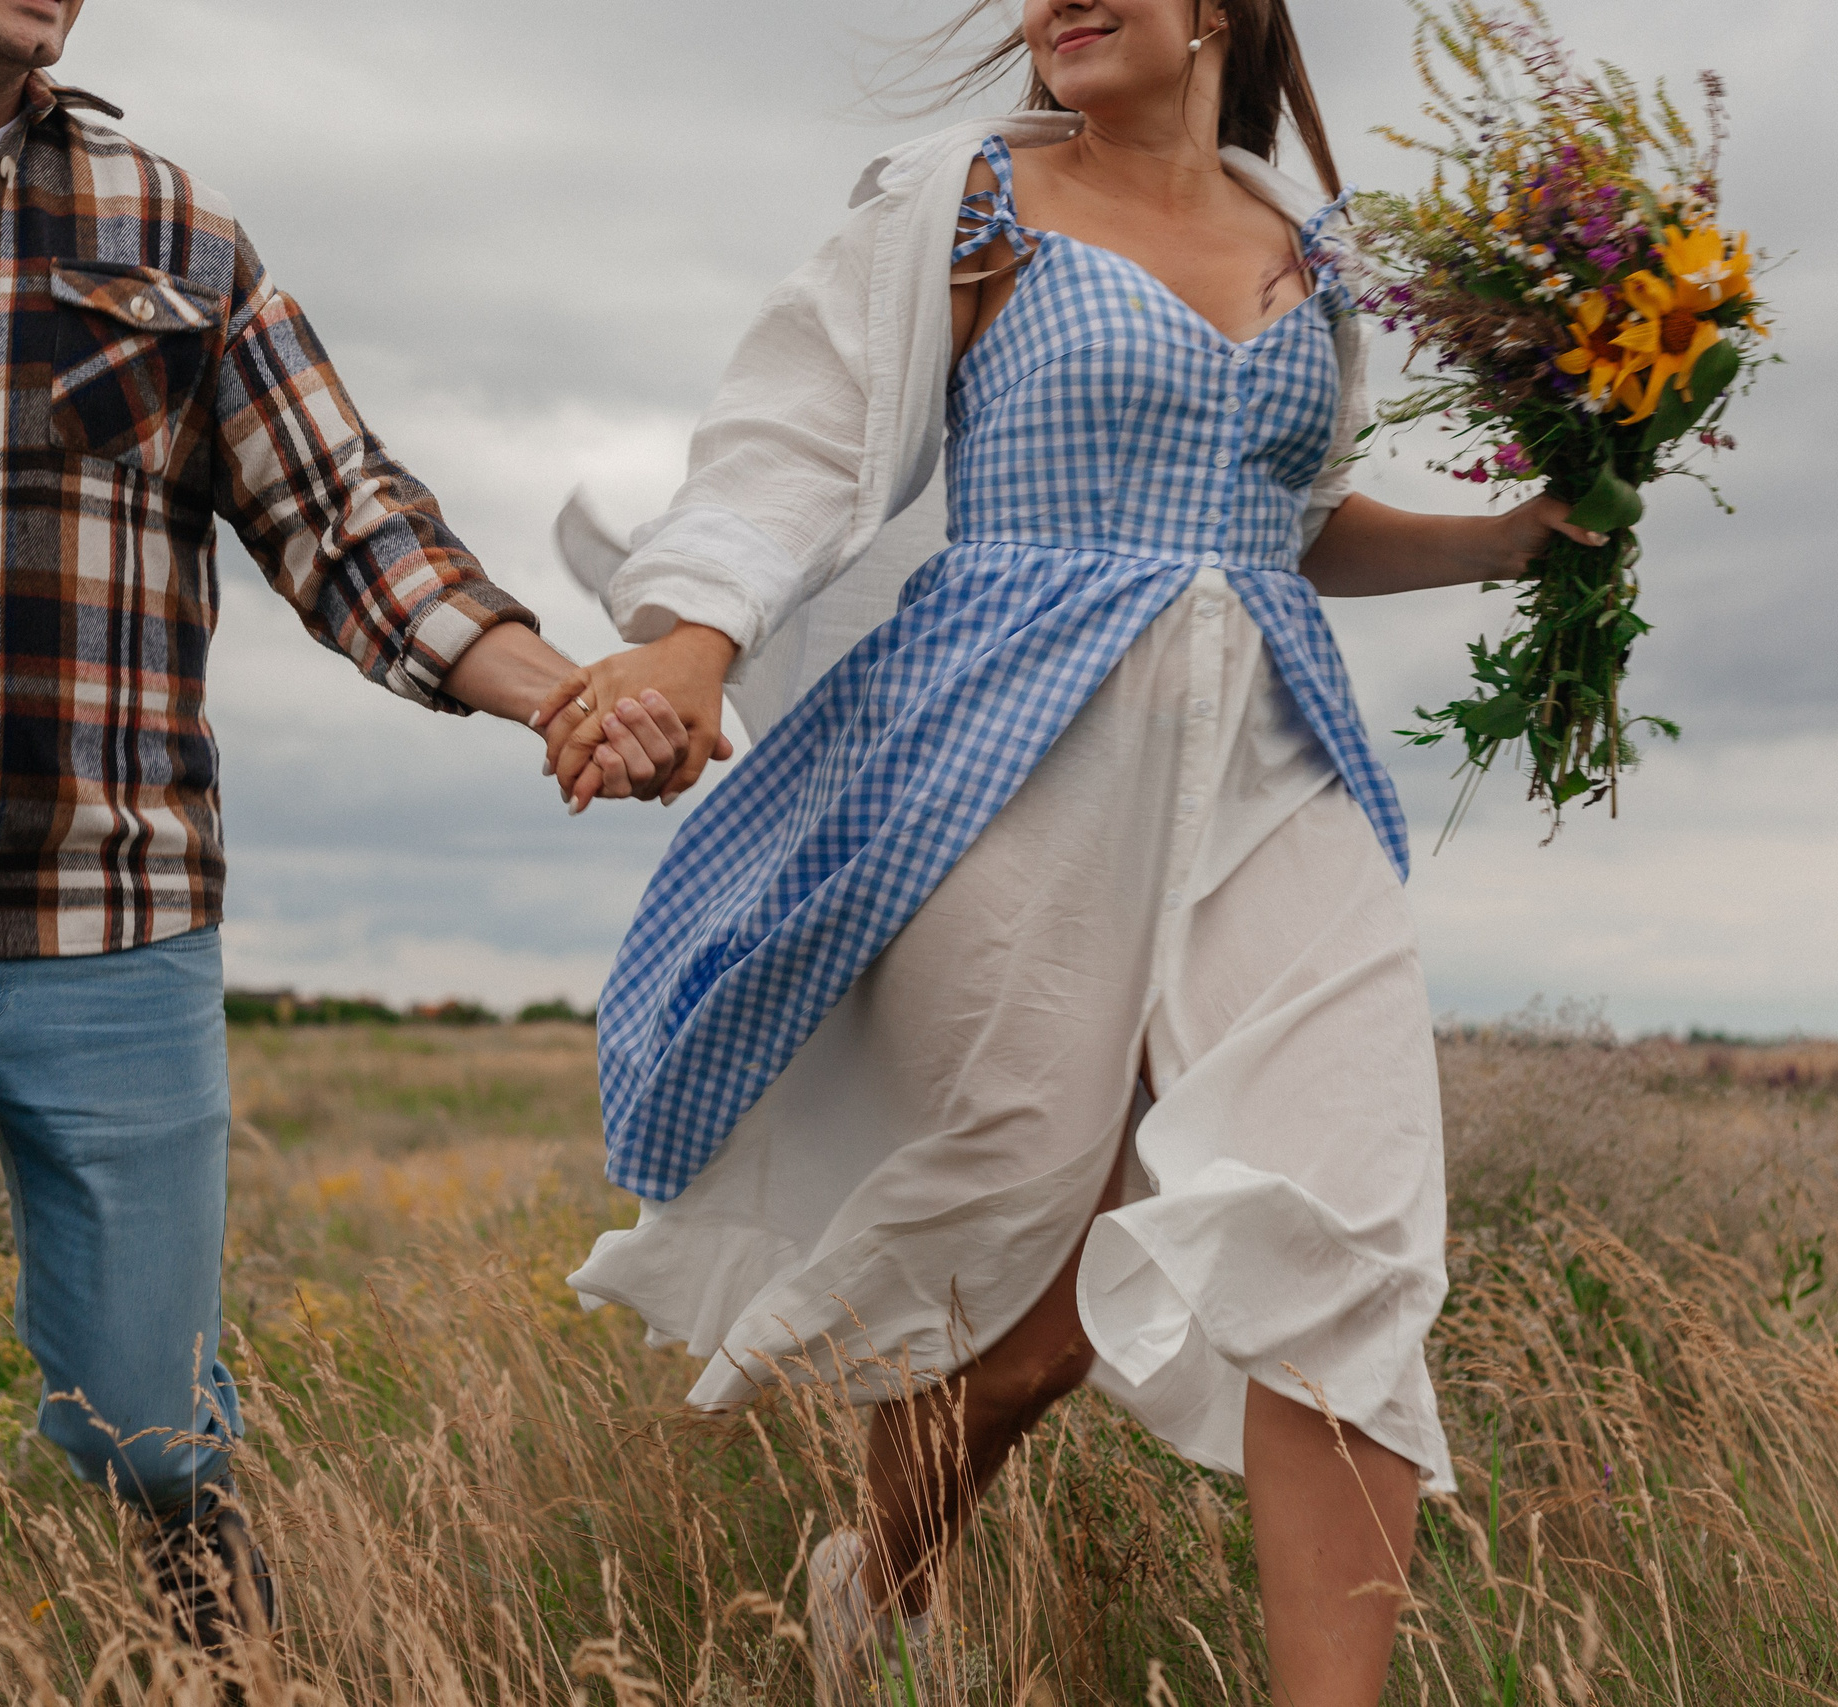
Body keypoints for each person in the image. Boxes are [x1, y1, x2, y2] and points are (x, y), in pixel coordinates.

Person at [0, 0, 695, 1695]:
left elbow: (345, 515)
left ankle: (225, 1665)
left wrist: (559, 694)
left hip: (108, 917)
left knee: (147, 1431)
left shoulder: (163, 231)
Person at [542, 2, 1608, 1700]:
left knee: (1353, 1240)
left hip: (1275, 762)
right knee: (1024, 1319)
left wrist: (1509, 540)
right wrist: (688, 646)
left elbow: (1293, 516)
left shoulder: (1312, 248)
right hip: (1006, 755)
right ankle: (873, 1607)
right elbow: (795, 455)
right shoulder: (966, 206)